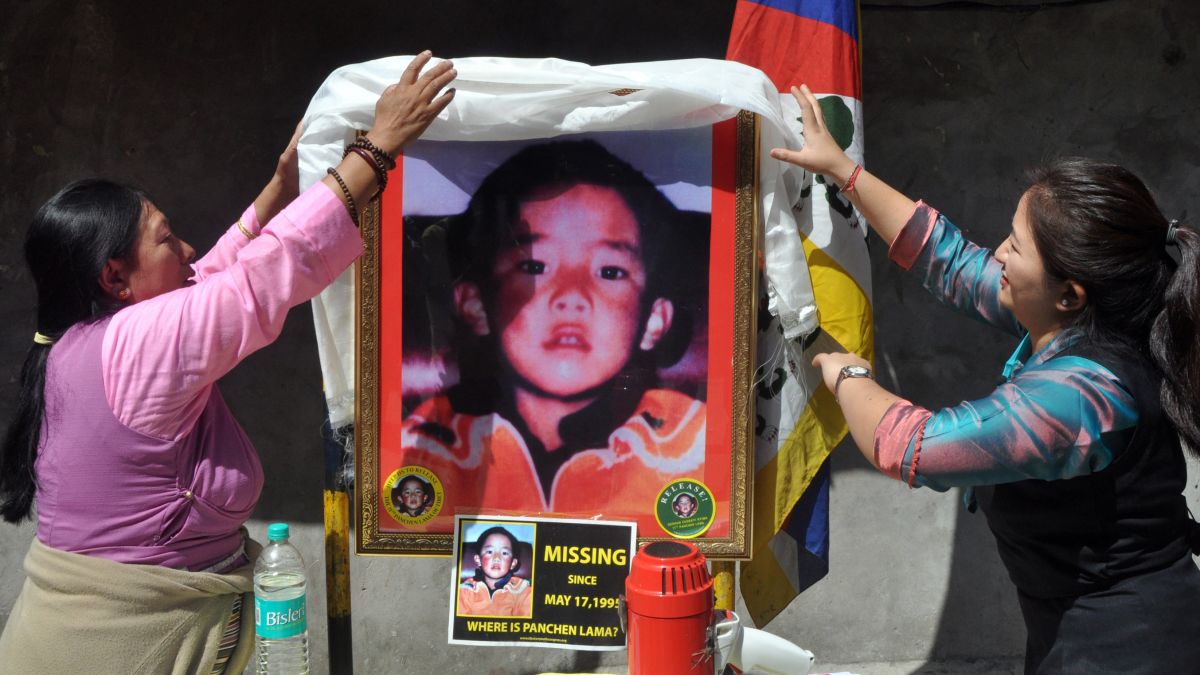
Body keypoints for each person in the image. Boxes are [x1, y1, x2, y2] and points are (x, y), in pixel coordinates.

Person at [0, 52, 456, 673]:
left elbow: (213, 273)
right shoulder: (135, 344)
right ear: (114, 278)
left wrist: (280, 188)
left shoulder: (81, 344)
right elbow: (260, 276)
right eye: (166, 238)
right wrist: (377, 150)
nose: (187, 248)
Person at [772, 84, 1200, 672]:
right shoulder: (1097, 313)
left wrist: (845, 371)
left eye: (1015, 246)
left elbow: (912, 446)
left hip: (1127, 648)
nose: (997, 253)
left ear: (1070, 294)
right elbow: (947, 259)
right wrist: (843, 170)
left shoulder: (1081, 399)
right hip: (1078, 633)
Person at [384, 139, 717, 534]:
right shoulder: (427, 447)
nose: (571, 296)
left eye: (609, 271)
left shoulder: (693, 448)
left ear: (654, 321)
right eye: (535, 266)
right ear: (475, 305)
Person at [457, 526, 533, 617]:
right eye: (489, 552)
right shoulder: (465, 590)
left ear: (513, 563)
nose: (497, 558)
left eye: (504, 553)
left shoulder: (523, 591)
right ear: (478, 560)